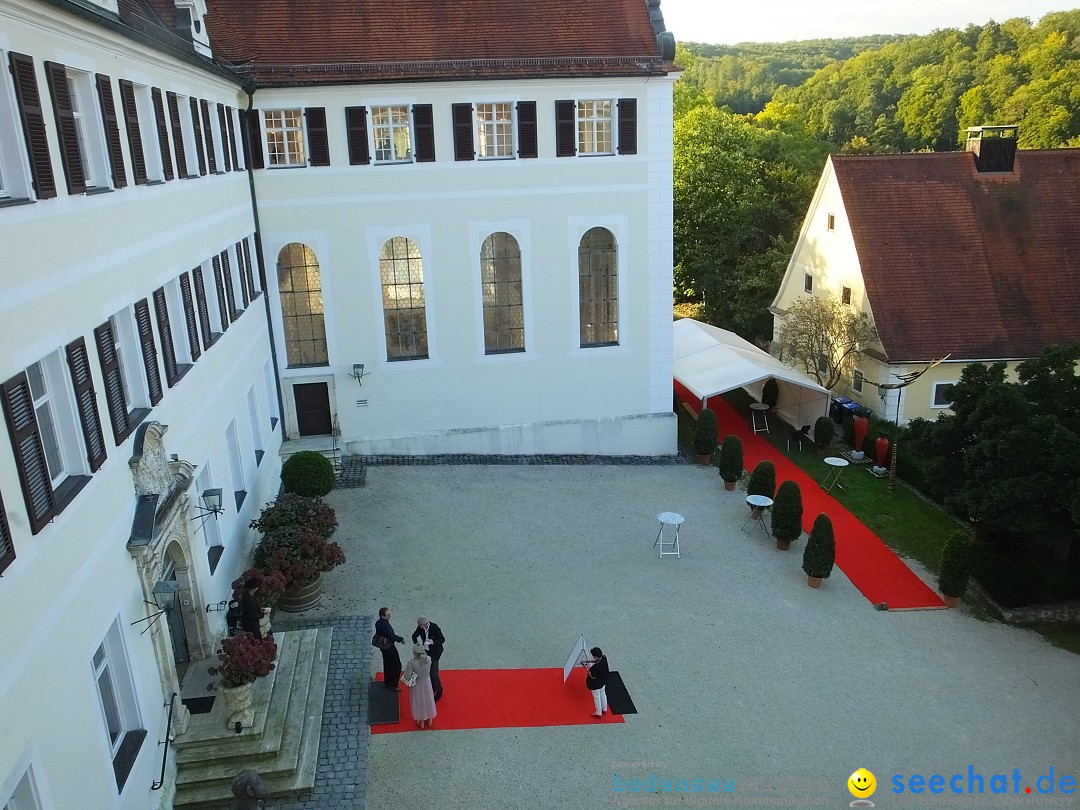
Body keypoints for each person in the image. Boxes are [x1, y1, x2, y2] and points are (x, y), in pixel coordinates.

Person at [402, 642, 437, 729]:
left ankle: (421, 721)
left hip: (417, 683)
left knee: (419, 701)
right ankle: (429, 719)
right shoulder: (428, 659)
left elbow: (407, 676)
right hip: (426, 682)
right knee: (428, 699)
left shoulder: (411, 663)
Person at [411, 615, 446, 701]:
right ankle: (433, 686)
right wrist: (417, 644)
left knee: (434, 673)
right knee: (429, 670)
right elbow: (414, 635)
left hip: (435, 652)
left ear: (425, 624)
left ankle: (439, 690)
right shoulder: (420, 628)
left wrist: (433, 642)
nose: (419, 627)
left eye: (420, 625)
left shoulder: (434, 628)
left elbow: (442, 639)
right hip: (427, 652)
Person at [374, 607, 404, 691]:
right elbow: (391, 636)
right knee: (396, 665)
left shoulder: (378, 622)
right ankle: (393, 684)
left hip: (382, 646)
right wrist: (400, 639)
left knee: (387, 664)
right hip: (388, 647)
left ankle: (387, 681)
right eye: (388, 615)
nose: (389, 616)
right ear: (383, 616)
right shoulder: (385, 625)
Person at [585, 646, 609, 717]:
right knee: (603, 694)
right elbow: (597, 661)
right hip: (603, 681)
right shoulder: (604, 658)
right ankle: (604, 709)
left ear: (595, 656)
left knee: (597, 697)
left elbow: (592, 676)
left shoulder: (596, 667)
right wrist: (589, 661)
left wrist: (587, 669)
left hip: (596, 684)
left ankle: (598, 713)